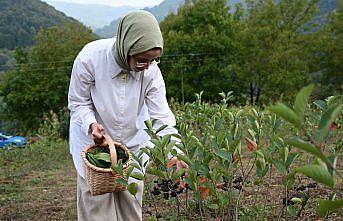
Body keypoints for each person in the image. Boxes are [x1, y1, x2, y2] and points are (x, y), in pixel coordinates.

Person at [68, 11, 186, 221]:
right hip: (95, 151)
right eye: (142, 60)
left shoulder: (150, 72)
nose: (146, 66)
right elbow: (78, 103)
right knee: (98, 213)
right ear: (127, 47)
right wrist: (91, 124)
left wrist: (174, 153)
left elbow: (162, 117)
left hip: (133, 149)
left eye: (153, 60)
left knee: (130, 211)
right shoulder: (90, 58)